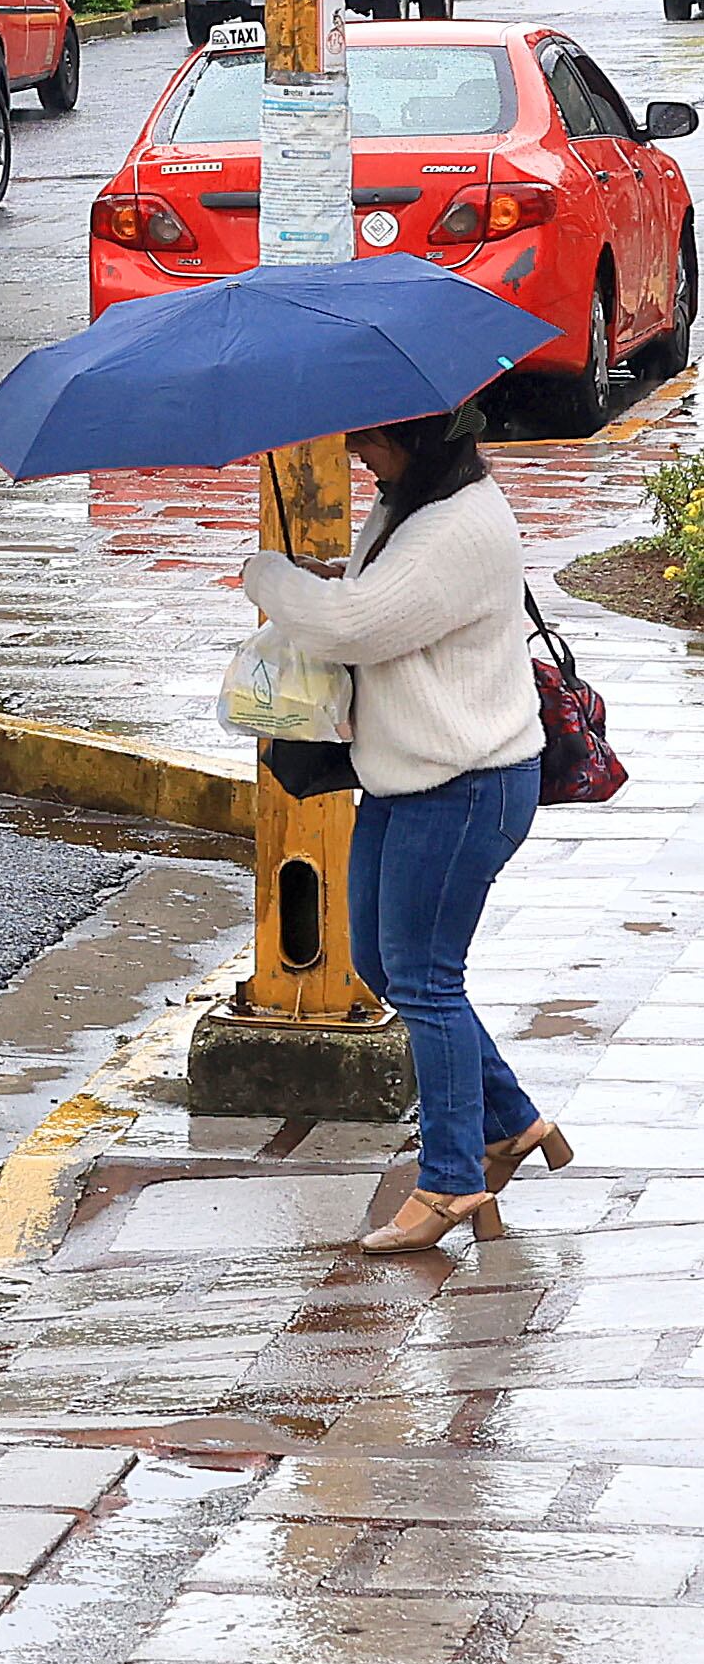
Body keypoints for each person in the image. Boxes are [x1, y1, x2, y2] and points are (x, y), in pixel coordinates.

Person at [243, 407, 554, 1254]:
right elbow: (382, 602)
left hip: (464, 784)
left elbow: (355, 626)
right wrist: (338, 574)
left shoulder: (457, 523)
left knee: (424, 980)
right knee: (384, 964)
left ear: (418, 439)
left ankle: (452, 1182)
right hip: (407, 772)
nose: (356, 453)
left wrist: (269, 574)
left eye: (371, 441)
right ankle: (514, 1122)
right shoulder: (414, 501)